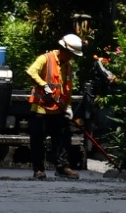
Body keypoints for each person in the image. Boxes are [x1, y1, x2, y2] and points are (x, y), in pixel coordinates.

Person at [26, 34, 84, 181]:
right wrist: (44, 85)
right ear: (64, 49)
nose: (72, 57)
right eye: (71, 53)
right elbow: (31, 72)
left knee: (63, 139)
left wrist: (68, 107)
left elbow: (68, 89)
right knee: (38, 141)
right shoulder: (45, 59)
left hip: (58, 110)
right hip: (41, 109)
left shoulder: (68, 66)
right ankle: (39, 169)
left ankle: (62, 167)